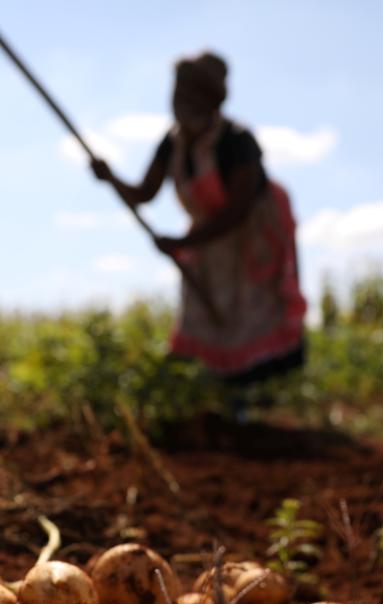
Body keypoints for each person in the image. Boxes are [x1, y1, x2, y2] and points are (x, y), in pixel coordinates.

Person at [91, 52, 307, 403]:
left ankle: (253, 400)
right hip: (207, 240)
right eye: (178, 95)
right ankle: (214, 400)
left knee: (250, 315)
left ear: (211, 100)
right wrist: (110, 178)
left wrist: (184, 241)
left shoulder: (236, 140)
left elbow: (238, 209)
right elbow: (145, 193)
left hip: (250, 237)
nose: (182, 104)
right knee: (206, 317)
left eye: (192, 96)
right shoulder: (172, 143)